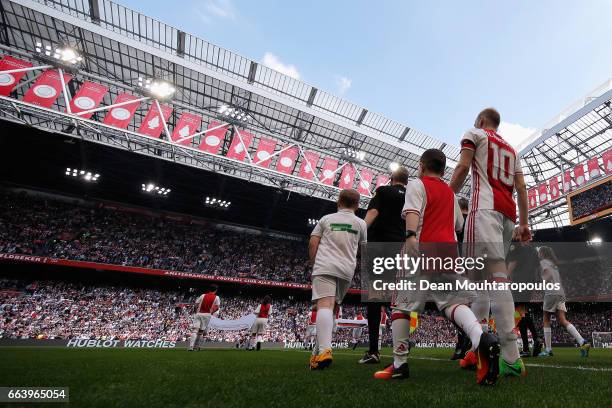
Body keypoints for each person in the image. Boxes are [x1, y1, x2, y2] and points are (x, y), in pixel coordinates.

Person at [375, 149, 499, 385]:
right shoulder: (451, 194)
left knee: (401, 304)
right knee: (454, 303)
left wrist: (411, 235)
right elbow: (459, 225)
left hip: (421, 247)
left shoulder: (417, 184)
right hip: (449, 251)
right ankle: (480, 338)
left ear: (421, 166)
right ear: (443, 170)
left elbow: (412, 211)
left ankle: (400, 364)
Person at [449, 108, 530, 378]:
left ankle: (509, 356)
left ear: (482, 121)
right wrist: (524, 223)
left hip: (483, 211)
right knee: (488, 280)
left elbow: (462, 166)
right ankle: (481, 347)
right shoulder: (512, 149)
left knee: (479, 281)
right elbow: (521, 188)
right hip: (507, 216)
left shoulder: (474, 133)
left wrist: (445, 197)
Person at [308, 188, 367, 370]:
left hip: (325, 266)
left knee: (324, 306)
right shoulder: (361, 224)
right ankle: (317, 353)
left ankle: (325, 350)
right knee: (333, 309)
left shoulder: (326, 219)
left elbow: (313, 242)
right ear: (357, 206)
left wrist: (313, 263)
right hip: (346, 270)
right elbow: (365, 250)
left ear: (338, 202)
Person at [359, 166, 408, 364]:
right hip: (402, 249)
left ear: (391, 179)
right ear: (406, 181)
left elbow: (373, 212)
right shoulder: (412, 196)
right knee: (401, 300)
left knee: (375, 299)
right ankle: (401, 350)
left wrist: (360, 232)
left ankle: (373, 351)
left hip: (380, 248)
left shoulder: (383, 191)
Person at [537, 246, 591, 357]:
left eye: (539, 252)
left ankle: (548, 350)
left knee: (546, 319)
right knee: (562, 320)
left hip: (551, 292)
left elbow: (547, 275)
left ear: (542, 253)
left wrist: (540, 282)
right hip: (560, 292)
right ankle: (582, 342)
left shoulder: (543, 262)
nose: (538, 254)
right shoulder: (554, 264)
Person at [506, 241, 542, 357]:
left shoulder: (516, 245)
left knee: (519, 314)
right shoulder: (533, 250)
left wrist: (506, 277)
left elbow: (513, 263)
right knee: (523, 312)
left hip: (519, 282)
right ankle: (536, 339)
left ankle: (526, 348)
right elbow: (538, 269)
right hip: (529, 283)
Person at [450, 197, 471, 360]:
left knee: (457, 308)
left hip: (457, 268)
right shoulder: (473, 222)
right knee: (471, 308)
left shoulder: (455, 222)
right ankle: (468, 345)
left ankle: (461, 346)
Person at [189, 284, 220, 351]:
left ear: (209, 289)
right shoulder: (217, 297)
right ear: (216, 290)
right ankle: (196, 347)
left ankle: (190, 347)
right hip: (207, 315)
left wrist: (195, 312)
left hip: (198, 314)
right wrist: (211, 312)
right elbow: (217, 307)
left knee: (195, 330)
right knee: (200, 332)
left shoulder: (203, 295)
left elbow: (196, 305)